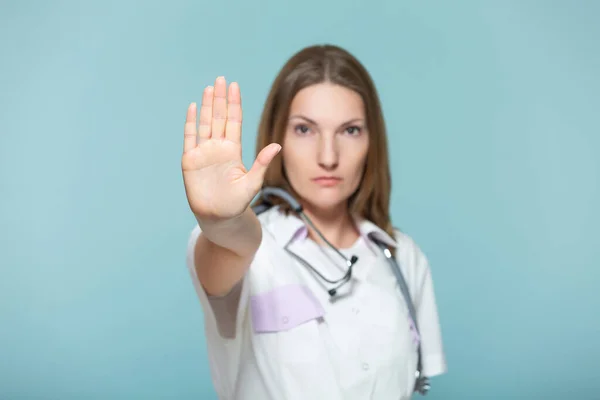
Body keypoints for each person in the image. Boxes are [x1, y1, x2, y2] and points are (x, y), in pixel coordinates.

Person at [182, 44, 447, 400]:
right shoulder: (245, 246)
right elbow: (232, 245)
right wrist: (224, 222)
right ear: (279, 136)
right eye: (305, 130)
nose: (328, 157)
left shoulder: (403, 257)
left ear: (372, 141)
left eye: (350, 130)